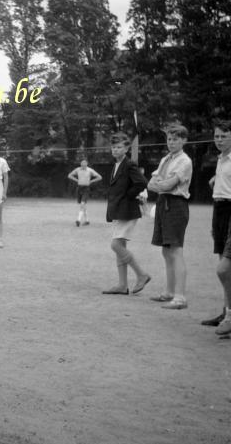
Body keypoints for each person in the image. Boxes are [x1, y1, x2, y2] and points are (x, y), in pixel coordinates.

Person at [147, 124, 193, 310]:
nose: (171, 142)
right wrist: (161, 184)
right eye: (169, 139)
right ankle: (169, 292)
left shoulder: (185, 161)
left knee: (175, 250)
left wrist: (161, 184)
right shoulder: (166, 158)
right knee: (166, 251)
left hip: (175, 205)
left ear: (184, 140)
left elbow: (168, 185)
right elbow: (152, 183)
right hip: (162, 204)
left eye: (175, 139)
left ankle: (180, 297)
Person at [102, 132, 151, 296]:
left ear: (127, 148)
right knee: (120, 247)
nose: (115, 150)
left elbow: (142, 182)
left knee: (115, 245)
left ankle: (141, 275)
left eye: (119, 147)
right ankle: (122, 285)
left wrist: (128, 196)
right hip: (119, 211)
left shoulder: (129, 164)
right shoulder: (116, 164)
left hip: (128, 211)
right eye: (113, 147)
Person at [201, 120, 231, 330]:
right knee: (223, 262)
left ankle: (229, 315)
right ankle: (225, 312)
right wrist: (215, 180)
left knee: (224, 269)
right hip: (218, 209)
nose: (219, 140)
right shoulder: (222, 159)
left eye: (224, 136)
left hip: (229, 209)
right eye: (217, 136)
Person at [67, 158, 102, 226]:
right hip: (79, 188)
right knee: (83, 205)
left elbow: (100, 177)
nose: (83, 165)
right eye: (82, 163)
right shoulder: (77, 169)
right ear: (80, 164)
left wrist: (91, 181)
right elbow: (69, 175)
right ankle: (87, 221)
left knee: (82, 204)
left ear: (87, 164)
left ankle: (78, 220)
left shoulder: (90, 170)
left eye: (84, 163)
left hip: (86, 189)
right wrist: (77, 180)